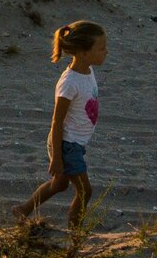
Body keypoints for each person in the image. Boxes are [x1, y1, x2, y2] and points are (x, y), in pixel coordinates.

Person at [12, 20, 109, 228]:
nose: (106, 52)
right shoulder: (69, 83)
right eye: (101, 48)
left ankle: (23, 209)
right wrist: (57, 157)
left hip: (75, 142)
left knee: (60, 184)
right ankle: (75, 234)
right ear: (84, 52)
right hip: (66, 144)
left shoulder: (88, 70)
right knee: (85, 191)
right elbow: (56, 122)